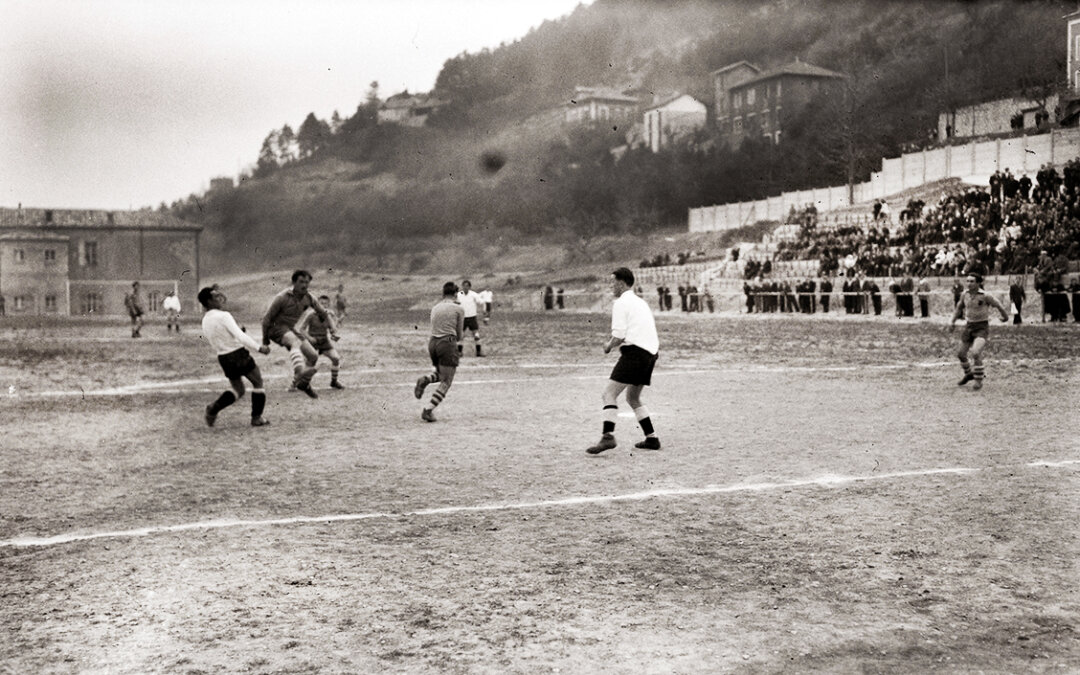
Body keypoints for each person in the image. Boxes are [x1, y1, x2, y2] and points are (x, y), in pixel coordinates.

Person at [586, 267, 661, 454]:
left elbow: (619, 335)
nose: (611, 286)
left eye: (612, 282)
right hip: (651, 353)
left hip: (635, 353)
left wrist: (608, 345)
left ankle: (608, 436)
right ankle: (652, 439)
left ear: (621, 283)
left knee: (608, 395)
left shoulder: (620, 303)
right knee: (633, 397)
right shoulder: (640, 302)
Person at [198, 286, 272, 427]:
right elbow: (240, 336)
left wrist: (236, 333)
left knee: (238, 390)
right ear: (208, 301)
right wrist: (259, 348)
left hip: (223, 357)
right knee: (258, 382)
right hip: (238, 354)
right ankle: (257, 418)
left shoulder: (205, 320)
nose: (220, 298)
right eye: (216, 297)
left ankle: (213, 408)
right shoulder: (224, 315)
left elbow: (220, 336)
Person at [260, 269, 326, 398]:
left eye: (307, 282)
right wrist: (265, 340)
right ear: (294, 282)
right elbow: (266, 319)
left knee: (313, 356)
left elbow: (322, 311)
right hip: (276, 328)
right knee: (294, 341)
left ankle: (302, 384)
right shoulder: (282, 297)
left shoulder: (309, 298)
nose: (304, 285)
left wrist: (326, 319)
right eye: (301, 282)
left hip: (291, 329)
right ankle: (300, 371)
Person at [414, 281, 465, 422]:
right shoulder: (458, 309)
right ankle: (428, 410)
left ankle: (426, 380)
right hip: (447, 343)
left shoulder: (435, 308)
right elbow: (459, 335)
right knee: (447, 381)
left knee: (441, 374)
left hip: (433, 343)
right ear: (455, 294)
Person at [950, 273, 1009, 391]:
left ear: (978, 283)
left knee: (976, 352)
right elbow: (958, 308)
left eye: (972, 281)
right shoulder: (964, 295)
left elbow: (999, 305)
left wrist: (1005, 317)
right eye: (967, 281)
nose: (969, 283)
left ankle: (978, 380)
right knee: (961, 354)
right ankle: (969, 374)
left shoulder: (985, 296)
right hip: (969, 326)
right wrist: (952, 322)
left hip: (981, 327)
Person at [295, 294, 344, 390]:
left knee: (336, 358)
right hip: (312, 342)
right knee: (310, 363)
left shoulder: (329, 315)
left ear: (328, 305)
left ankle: (334, 382)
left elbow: (333, 332)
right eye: (321, 303)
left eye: (325, 304)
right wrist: (309, 338)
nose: (323, 305)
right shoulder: (310, 314)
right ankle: (298, 383)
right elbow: (301, 329)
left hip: (324, 341)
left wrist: (334, 322)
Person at [456, 280, 484, 357]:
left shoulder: (473, 294)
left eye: (467, 286)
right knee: (461, 336)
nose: (465, 287)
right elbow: (454, 302)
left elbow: (480, 301)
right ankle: (459, 352)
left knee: (476, 335)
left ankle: (478, 352)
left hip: (472, 317)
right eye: (464, 286)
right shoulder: (459, 294)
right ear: (462, 286)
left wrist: (482, 300)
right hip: (462, 318)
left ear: (469, 287)